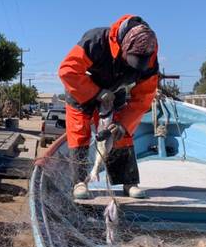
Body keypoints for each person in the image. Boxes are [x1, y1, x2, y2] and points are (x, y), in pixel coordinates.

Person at [58, 14, 159, 200]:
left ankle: (128, 182)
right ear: (124, 45)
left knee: (121, 134)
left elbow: (144, 96)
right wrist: (96, 93)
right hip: (81, 91)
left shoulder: (149, 56)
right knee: (79, 133)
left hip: (114, 93)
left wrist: (124, 124)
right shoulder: (96, 41)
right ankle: (79, 182)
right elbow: (68, 70)